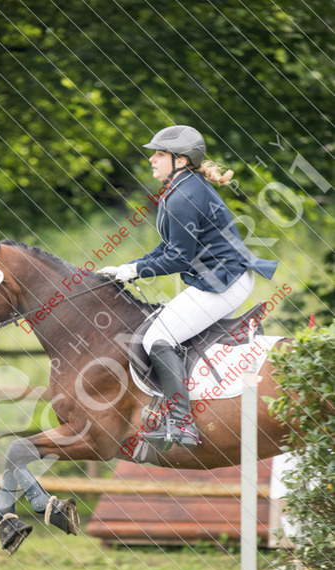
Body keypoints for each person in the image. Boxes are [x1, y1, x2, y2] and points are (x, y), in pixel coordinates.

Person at [97, 125, 277, 450]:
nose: (152, 159)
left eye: (159, 154)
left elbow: (178, 259)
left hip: (223, 283)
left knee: (158, 338)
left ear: (180, 160)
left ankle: (182, 424)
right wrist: (126, 269)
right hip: (219, 278)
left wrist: (132, 270)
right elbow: (168, 248)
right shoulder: (181, 187)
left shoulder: (183, 196)